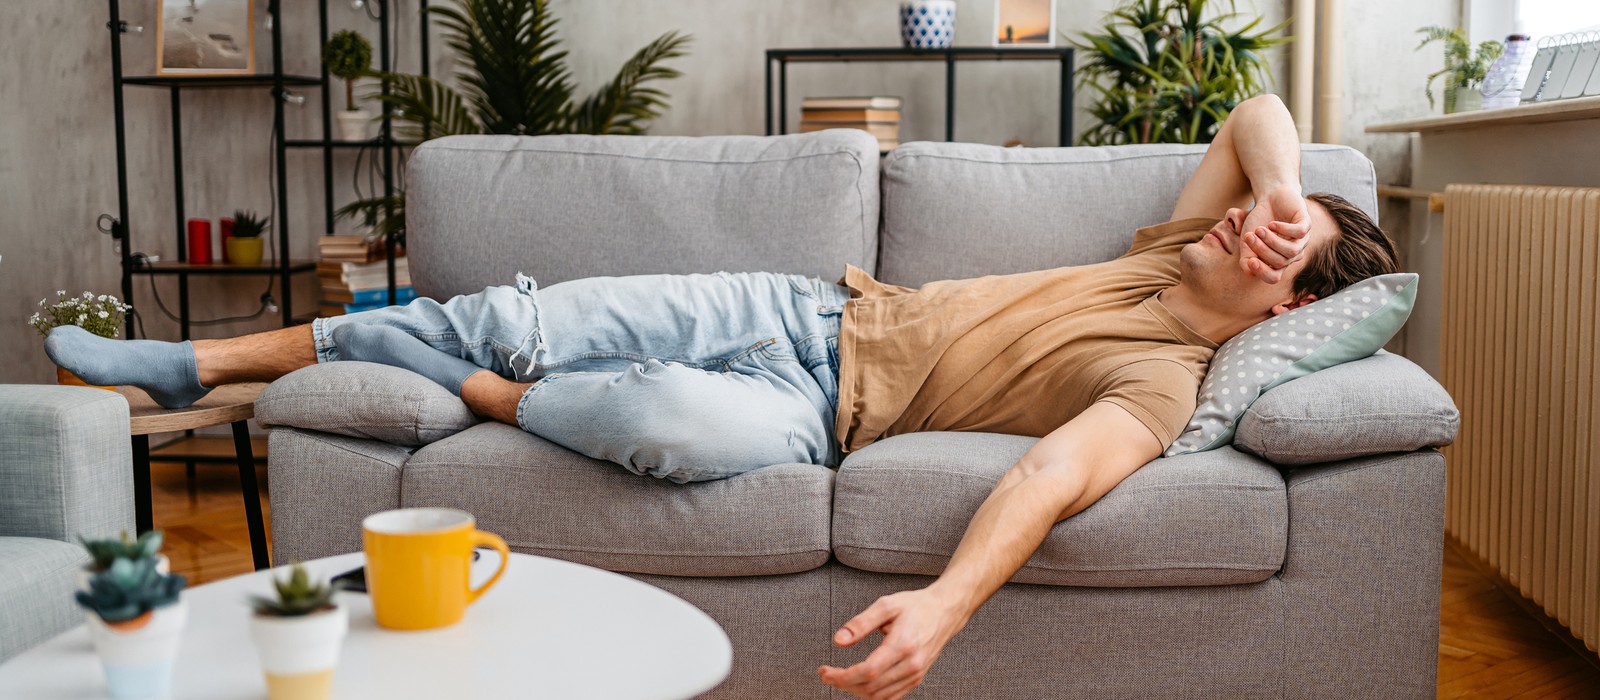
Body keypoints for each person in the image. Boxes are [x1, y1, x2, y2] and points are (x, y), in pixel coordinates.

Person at [47, 94, 1398, 699]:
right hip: (805, 310)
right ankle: (203, 364)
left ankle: (464, 385)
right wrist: (1289, 190)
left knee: (665, 426)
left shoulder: (1163, 382)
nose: (1253, 223)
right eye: (1263, 212)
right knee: (521, 313)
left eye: (1282, 243)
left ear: (1289, 309)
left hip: (818, 421)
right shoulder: (1175, 245)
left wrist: (944, 603)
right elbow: (1257, 111)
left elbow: (1048, 475)